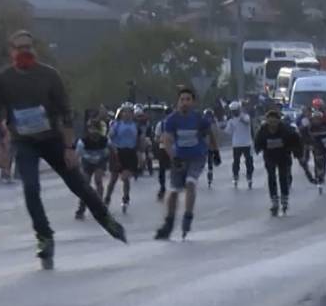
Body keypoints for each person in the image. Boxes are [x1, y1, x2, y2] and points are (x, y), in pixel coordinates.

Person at [0, 30, 126, 268]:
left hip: (52, 139)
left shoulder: (49, 76)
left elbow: (65, 113)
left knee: (78, 184)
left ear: (35, 49)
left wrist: (69, 147)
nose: (25, 51)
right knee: (31, 188)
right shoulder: (3, 80)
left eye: (29, 47)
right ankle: (44, 237)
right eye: (19, 47)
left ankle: (106, 219)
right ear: (11, 51)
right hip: (24, 141)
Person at [155, 86, 219, 241]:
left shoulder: (199, 119)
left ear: (193, 103)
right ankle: (169, 222)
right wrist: (173, 157)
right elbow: (167, 141)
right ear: (177, 102)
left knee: (190, 183)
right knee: (174, 191)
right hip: (179, 157)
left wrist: (215, 150)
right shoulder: (171, 120)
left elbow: (209, 133)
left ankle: (188, 216)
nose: (185, 103)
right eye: (182, 100)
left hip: (197, 157)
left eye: (188, 100)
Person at [254, 109, 303, 216]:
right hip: (269, 156)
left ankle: (284, 199)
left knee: (283, 177)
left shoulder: (286, 129)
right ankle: (274, 200)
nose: (272, 125)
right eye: (270, 122)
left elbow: (296, 139)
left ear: (278, 121)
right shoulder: (263, 130)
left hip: (283, 156)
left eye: (275, 122)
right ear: (267, 121)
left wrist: (297, 152)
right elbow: (257, 140)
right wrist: (257, 148)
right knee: (271, 176)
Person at [104, 105, 140, 212]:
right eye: (125, 112)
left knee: (125, 178)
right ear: (121, 114)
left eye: (129, 112)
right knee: (113, 179)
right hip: (117, 152)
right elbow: (109, 137)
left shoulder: (135, 126)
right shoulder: (116, 125)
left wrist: (141, 153)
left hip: (130, 153)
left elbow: (139, 140)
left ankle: (125, 198)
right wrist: (112, 147)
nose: (127, 114)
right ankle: (107, 198)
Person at [75, 118, 109, 221]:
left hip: (100, 161)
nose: (93, 131)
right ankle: (81, 207)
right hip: (87, 163)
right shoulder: (83, 141)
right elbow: (77, 155)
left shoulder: (104, 140)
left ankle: (100, 206)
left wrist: (114, 161)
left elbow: (112, 149)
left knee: (98, 180)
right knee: (85, 184)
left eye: (95, 128)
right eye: (91, 128)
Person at [225, 100, 254, 189]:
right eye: (232, 111)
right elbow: (228, 132)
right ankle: (235, 176)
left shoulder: (245, 116)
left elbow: (247, 121)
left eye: (235, 110)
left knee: (249, 162)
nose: (234, 112)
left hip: (247, 143)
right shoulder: (231, 121)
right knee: (236, 162)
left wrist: (240, 116)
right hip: (236, 144)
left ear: (239, 109)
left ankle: (249, 176)